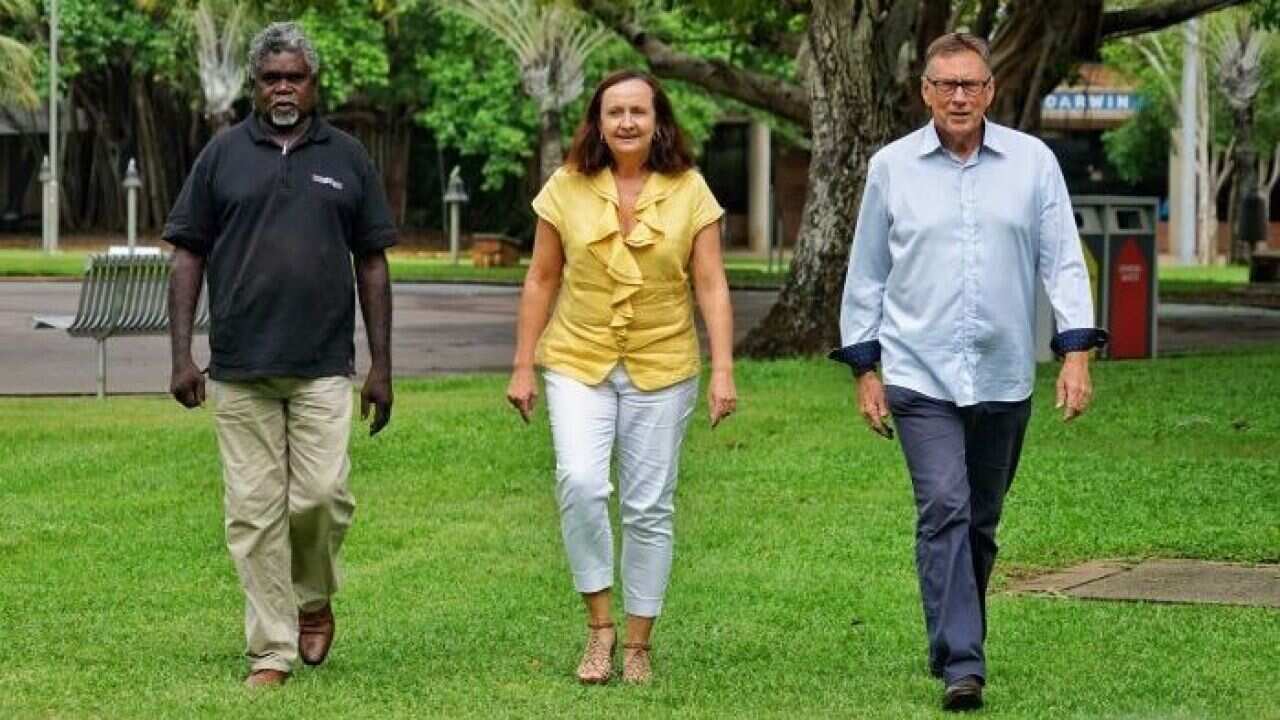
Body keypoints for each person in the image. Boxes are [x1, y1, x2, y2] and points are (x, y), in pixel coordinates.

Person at [830, 33, 1106, 711]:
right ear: (924, 91)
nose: (960, 97)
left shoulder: (1033, 162)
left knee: (980, 520)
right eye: (946, 85)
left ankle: (951, 638)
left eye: (972, 85)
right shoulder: (892, 168)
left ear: (989, 91)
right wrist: (866, 367)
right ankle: (963, 661)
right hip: (919, 373)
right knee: (945, 508)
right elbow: (867, 273)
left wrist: (1075, 352)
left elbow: (1063, 259)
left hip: (1005, 373)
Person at [164, 21, 395, 688]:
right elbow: (187, 256)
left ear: (313, 83)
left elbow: (373, 263)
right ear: (254, 86)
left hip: (324, 365)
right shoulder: (222, 156)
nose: (284, 87)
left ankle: (313, 596)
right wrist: (183, 355)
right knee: (253, 513)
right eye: (272, 78)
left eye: (295, 75)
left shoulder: (347, 157)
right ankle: (271, 648)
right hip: (240, 369)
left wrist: (382, 365)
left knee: (321, 497)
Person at [506, 69, 737, 685]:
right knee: (580, 482)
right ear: (599, 123)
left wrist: (723, 370)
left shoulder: (690, 189)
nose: (627, 122)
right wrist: (524, 364)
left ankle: (638, 641)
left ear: (658, 119)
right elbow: (541, 279)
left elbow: (711, 283)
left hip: (663, 362)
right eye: (615, 113)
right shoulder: (565, 187)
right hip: (578, 358)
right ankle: (598, 629)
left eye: (639, 111)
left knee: (648, 506)